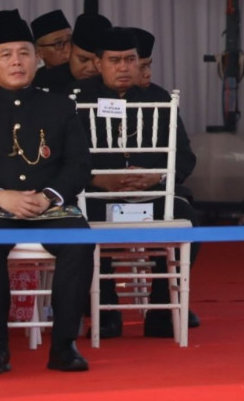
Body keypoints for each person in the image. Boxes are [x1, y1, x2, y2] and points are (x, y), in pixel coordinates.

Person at [75, 27, 199, 339]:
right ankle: (105, 311)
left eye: (130, 60)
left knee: (188, 218)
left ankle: (161, 311)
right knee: (76, 223)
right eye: (114, 60)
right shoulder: (78, 100)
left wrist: (156, 175)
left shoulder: (159, 99)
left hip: (152, 195)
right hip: (97, 196)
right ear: (99, 63)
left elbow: (186, 157)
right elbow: (63, 160)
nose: (123, 67)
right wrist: (97, 179)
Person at [0, 9, 93, 373]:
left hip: (50, 207)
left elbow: (79, 165)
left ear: (36, 58)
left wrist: (48, 195)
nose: (16, 62)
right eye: (5, 54)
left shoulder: (59, 105)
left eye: (24, 53)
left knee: (79, 242)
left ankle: (64, 346)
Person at [35, 13, 111, 95]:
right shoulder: (43, 82)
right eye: (83, 59)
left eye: (99, 62)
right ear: (70, 51)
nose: (91, 68)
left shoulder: (117, 83)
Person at [30, 10, 72, 89]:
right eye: (58, 44)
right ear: (39, 52)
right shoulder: (33, 83)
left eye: (70, 40)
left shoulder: (83, 76)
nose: (68, 49)